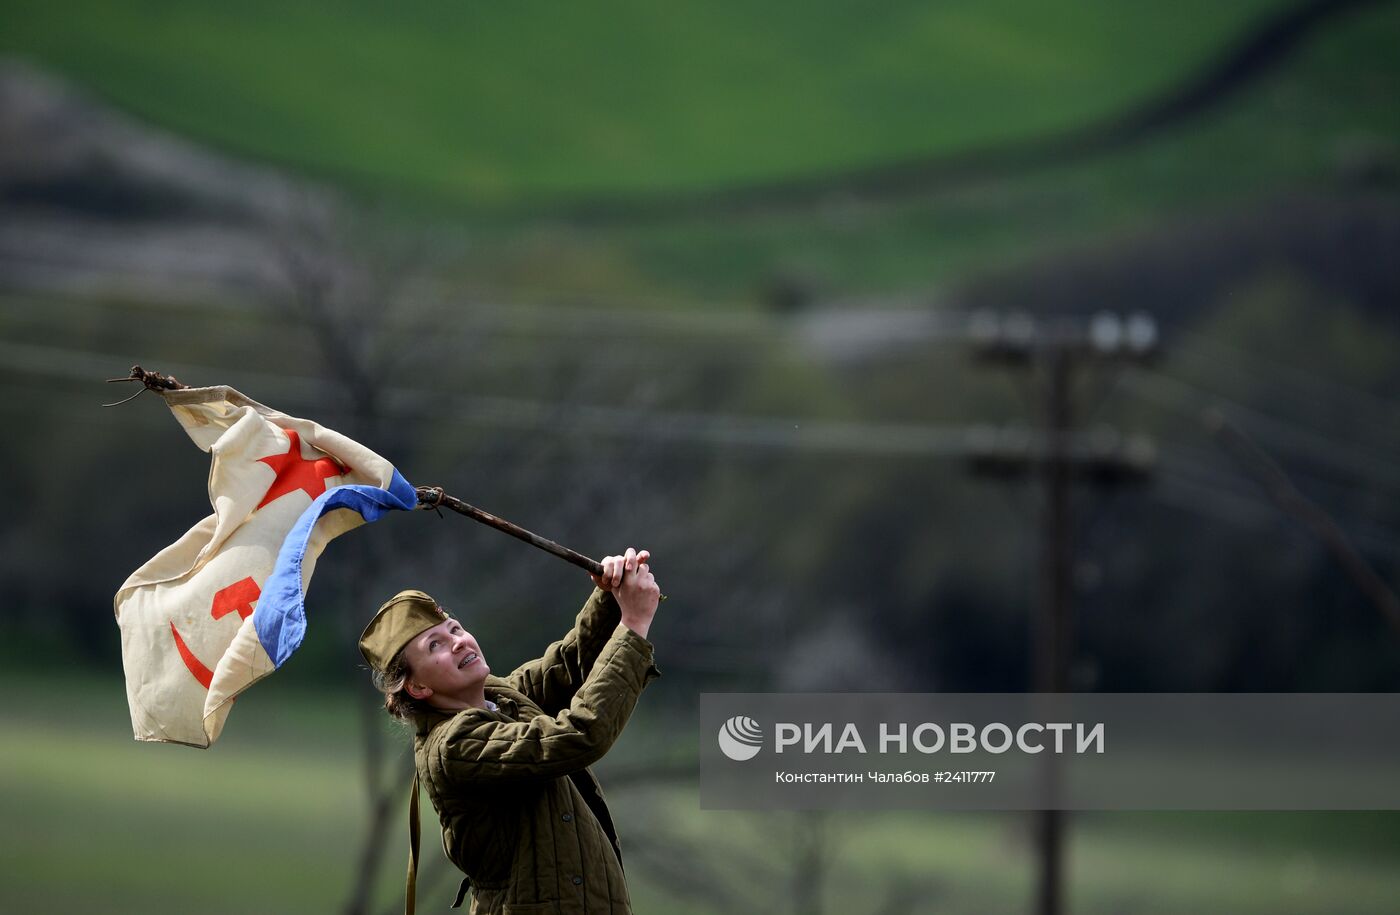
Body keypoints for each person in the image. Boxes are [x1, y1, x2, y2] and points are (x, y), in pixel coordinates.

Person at [358, 547, 662, 915]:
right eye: (435, 645)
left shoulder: (498, 697)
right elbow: (580, 733)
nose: (458, 641)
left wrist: (609, 596)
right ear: (418, 687)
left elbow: (567, 665)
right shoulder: (455, 745)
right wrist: (632, 627)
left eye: (454, 629)